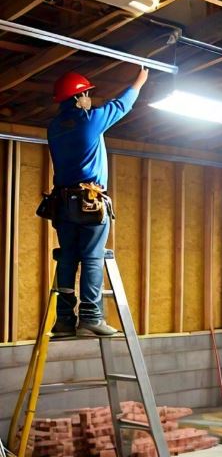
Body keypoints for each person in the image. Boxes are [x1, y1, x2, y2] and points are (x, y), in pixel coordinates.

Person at [46, 66, 148, 338]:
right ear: (78, 99)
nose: (90, 98)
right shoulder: (90, 120)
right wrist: (140, 80)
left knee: (68, 258)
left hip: (63, 204)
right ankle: (91, 317)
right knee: (92, 258)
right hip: (89, 203)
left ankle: (65, 319)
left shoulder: (54, 128)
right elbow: (122, 104)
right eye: (87, 94)